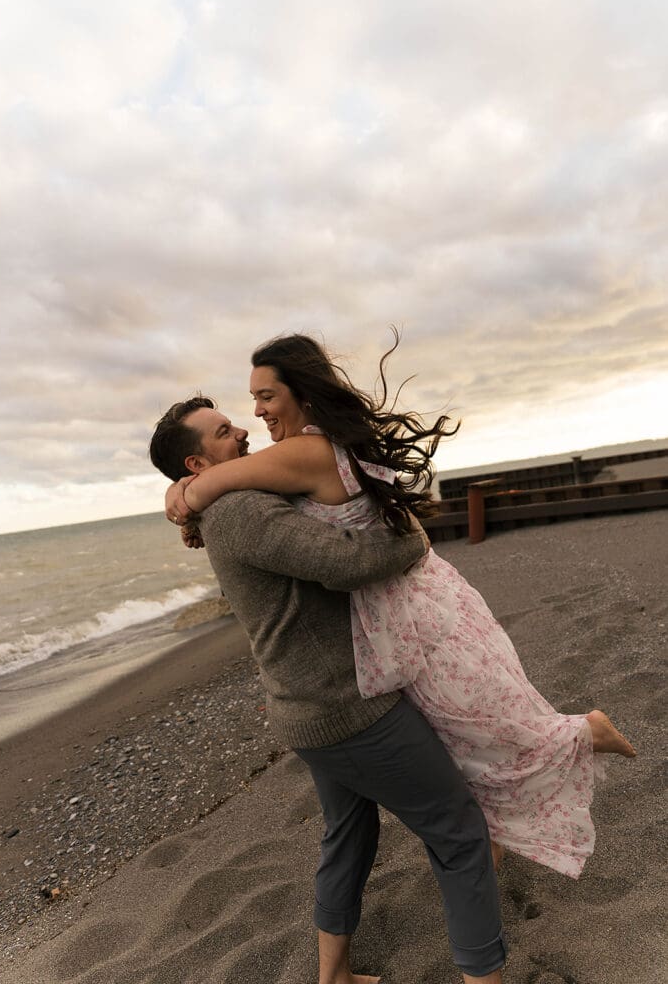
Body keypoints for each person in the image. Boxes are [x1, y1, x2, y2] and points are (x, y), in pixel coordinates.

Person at [164, 333, 636, 880]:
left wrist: (181, 495)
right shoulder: (310, 445)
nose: (256, 411)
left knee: (471, 725)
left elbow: (210, 486)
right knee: (454, 733)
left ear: (300, 392)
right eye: (253, 399)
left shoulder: (303, 450)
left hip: (408, 608)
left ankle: (585, 731)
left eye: (266, 396)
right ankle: (492, 842)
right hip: (405, 605)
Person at [150, 398, 506, 984]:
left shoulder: (228, 499)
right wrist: (412, 532)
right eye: (222, 432)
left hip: (305, 707)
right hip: (348, 707)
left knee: (349, 832)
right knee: (460, 831)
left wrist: (182, 497)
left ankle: (333, 976)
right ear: (196, 461)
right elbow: (346, 563)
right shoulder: (240, 510)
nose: (241, 429)